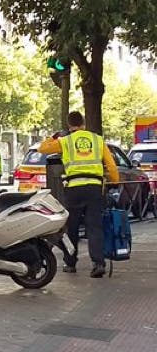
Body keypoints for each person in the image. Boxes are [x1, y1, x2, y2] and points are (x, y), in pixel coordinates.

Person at [38, 111, 118, 278]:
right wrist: (114, 181)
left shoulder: (65, 141)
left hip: (74, 189)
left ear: (69, 125)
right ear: (83, 123)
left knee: (71, 227)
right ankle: (98, 263)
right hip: (95, 188)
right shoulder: (97, 140)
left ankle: (70, 263)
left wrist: (55, 136)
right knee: (94, 227)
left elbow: (42, 148)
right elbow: (110, 165)